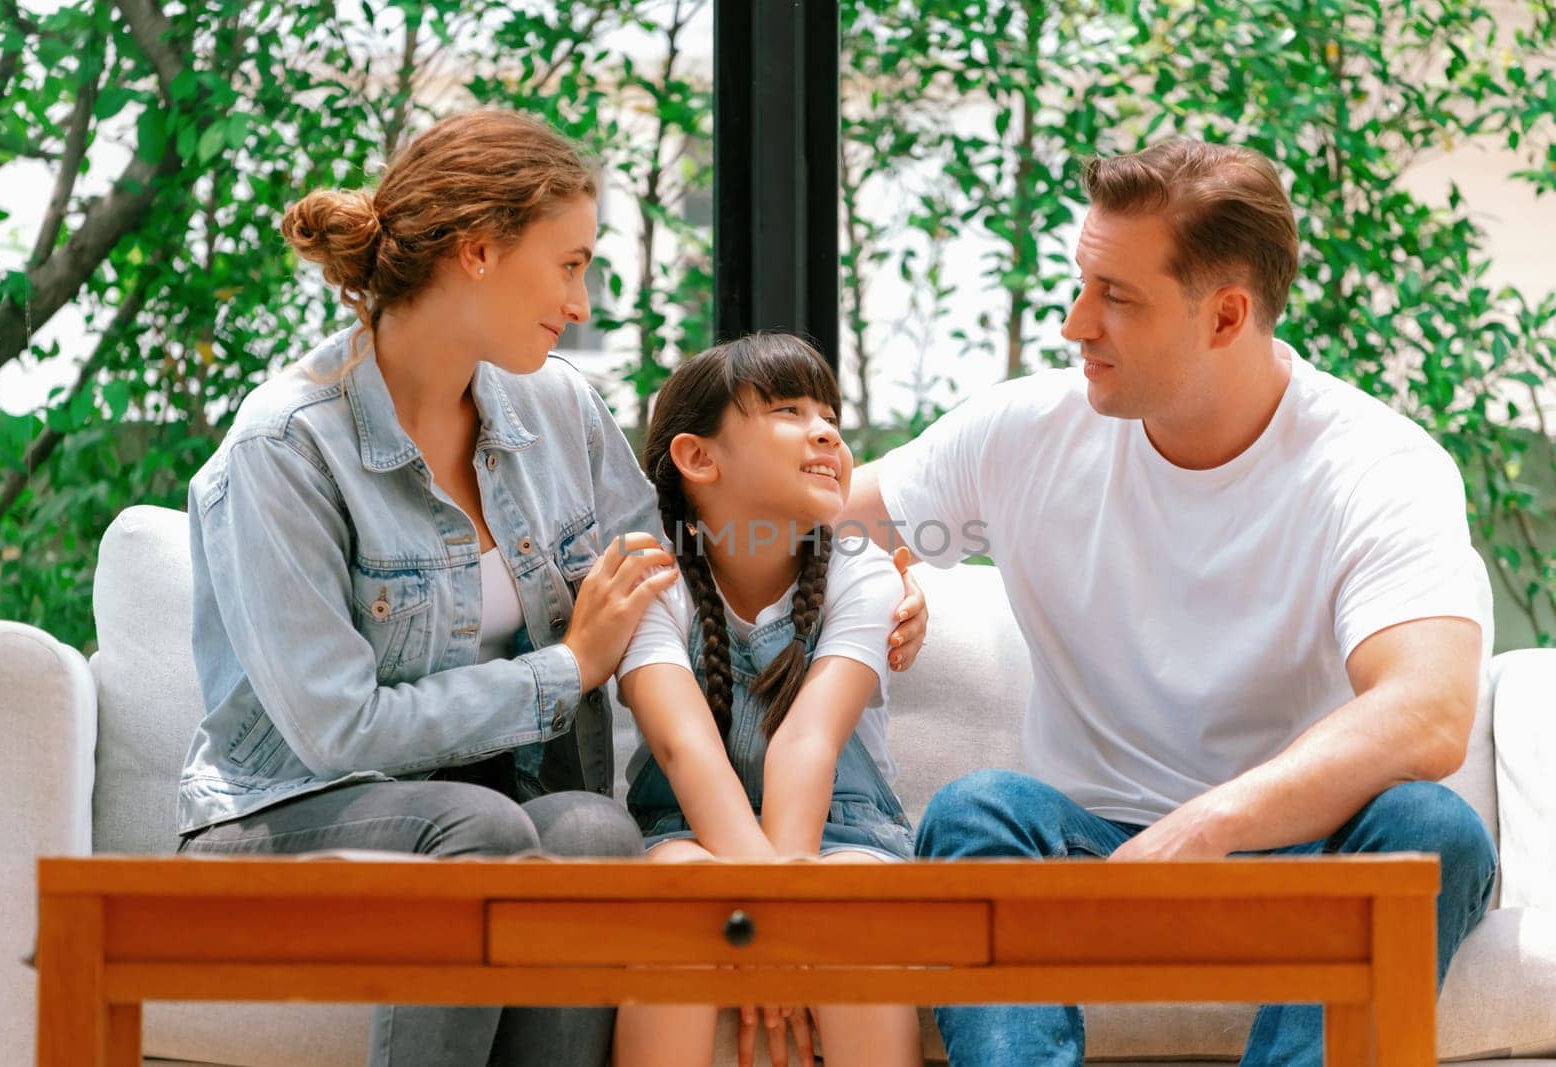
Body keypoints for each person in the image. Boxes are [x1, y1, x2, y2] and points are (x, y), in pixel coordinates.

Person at [179, 107, 928, 1067]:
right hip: (293, 806)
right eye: (569, 264)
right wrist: (566, 667)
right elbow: (337, 727)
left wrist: (874, 566)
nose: (581, 303)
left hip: (490, 804)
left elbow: (684, 556)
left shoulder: (555, 406)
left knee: (589, 825)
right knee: (485, 826)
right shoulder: (287, 447)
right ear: (478, 251)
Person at [839, 139, 1498, 1066]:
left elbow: (1427, 710)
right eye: (1082, 284)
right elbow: (797, 523)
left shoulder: (1376, 467)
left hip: (1298, 857)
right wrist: (872, 568)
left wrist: (1209, 824)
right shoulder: (1026, 430)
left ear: (1226, 316)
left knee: (1433, 830)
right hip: (1086, 850)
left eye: (1117, 296)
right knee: (975, 809)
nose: (1075, 324)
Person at [611, 335, 924, 1067]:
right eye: (788, 409)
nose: (827, 430)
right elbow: (681, 747)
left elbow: (805, 743)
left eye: (829, 413)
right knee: (681, 894)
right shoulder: (649, 578)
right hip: (682, 830)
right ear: (698, 459)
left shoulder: (863, 572)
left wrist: (774, 924)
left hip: (847, 836)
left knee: (849, 907)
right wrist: (761, 917)